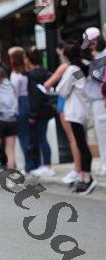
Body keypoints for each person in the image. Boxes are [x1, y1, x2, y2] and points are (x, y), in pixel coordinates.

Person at [56, 42, 96, 195]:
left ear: (67, 56)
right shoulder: (83, 67)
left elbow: (61, 89)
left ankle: (87, 178)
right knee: (82, 144)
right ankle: (84, 176)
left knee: (81, 145)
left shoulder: (72, 69)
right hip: (83, 109)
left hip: (74, 111)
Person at [44, 43, 81, 185]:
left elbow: (51, 85)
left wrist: (53, 89)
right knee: (76, 138)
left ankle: (77, 169)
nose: (59, 56)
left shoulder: (67, 67)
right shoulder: (79, 68)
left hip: (66, 104)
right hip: (73, 104)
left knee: (73, 138)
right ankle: (79, 168)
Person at [24, 47, 55, 177]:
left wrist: (33, 114)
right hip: (47, 109)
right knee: (43, 137)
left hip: (39, 111)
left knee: (42, 138)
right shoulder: (45, 72)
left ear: (28, 59)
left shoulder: (32, 75)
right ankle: (46, 164)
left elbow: (34, 96)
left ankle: (47, 165)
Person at [84, 26, 106, 177]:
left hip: (100, 99)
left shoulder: (102, 56)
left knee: (103, 134)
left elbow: (95, 76)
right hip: (97, 99)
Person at [9, 48, 32, 173]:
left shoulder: (15, 75)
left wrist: (13, 110)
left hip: (20, 103)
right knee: (27, 135)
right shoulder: (25, 73)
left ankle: (27, 165)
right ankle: (30, 163)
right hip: (27, 101)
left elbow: (15, 94)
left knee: (23, 136)